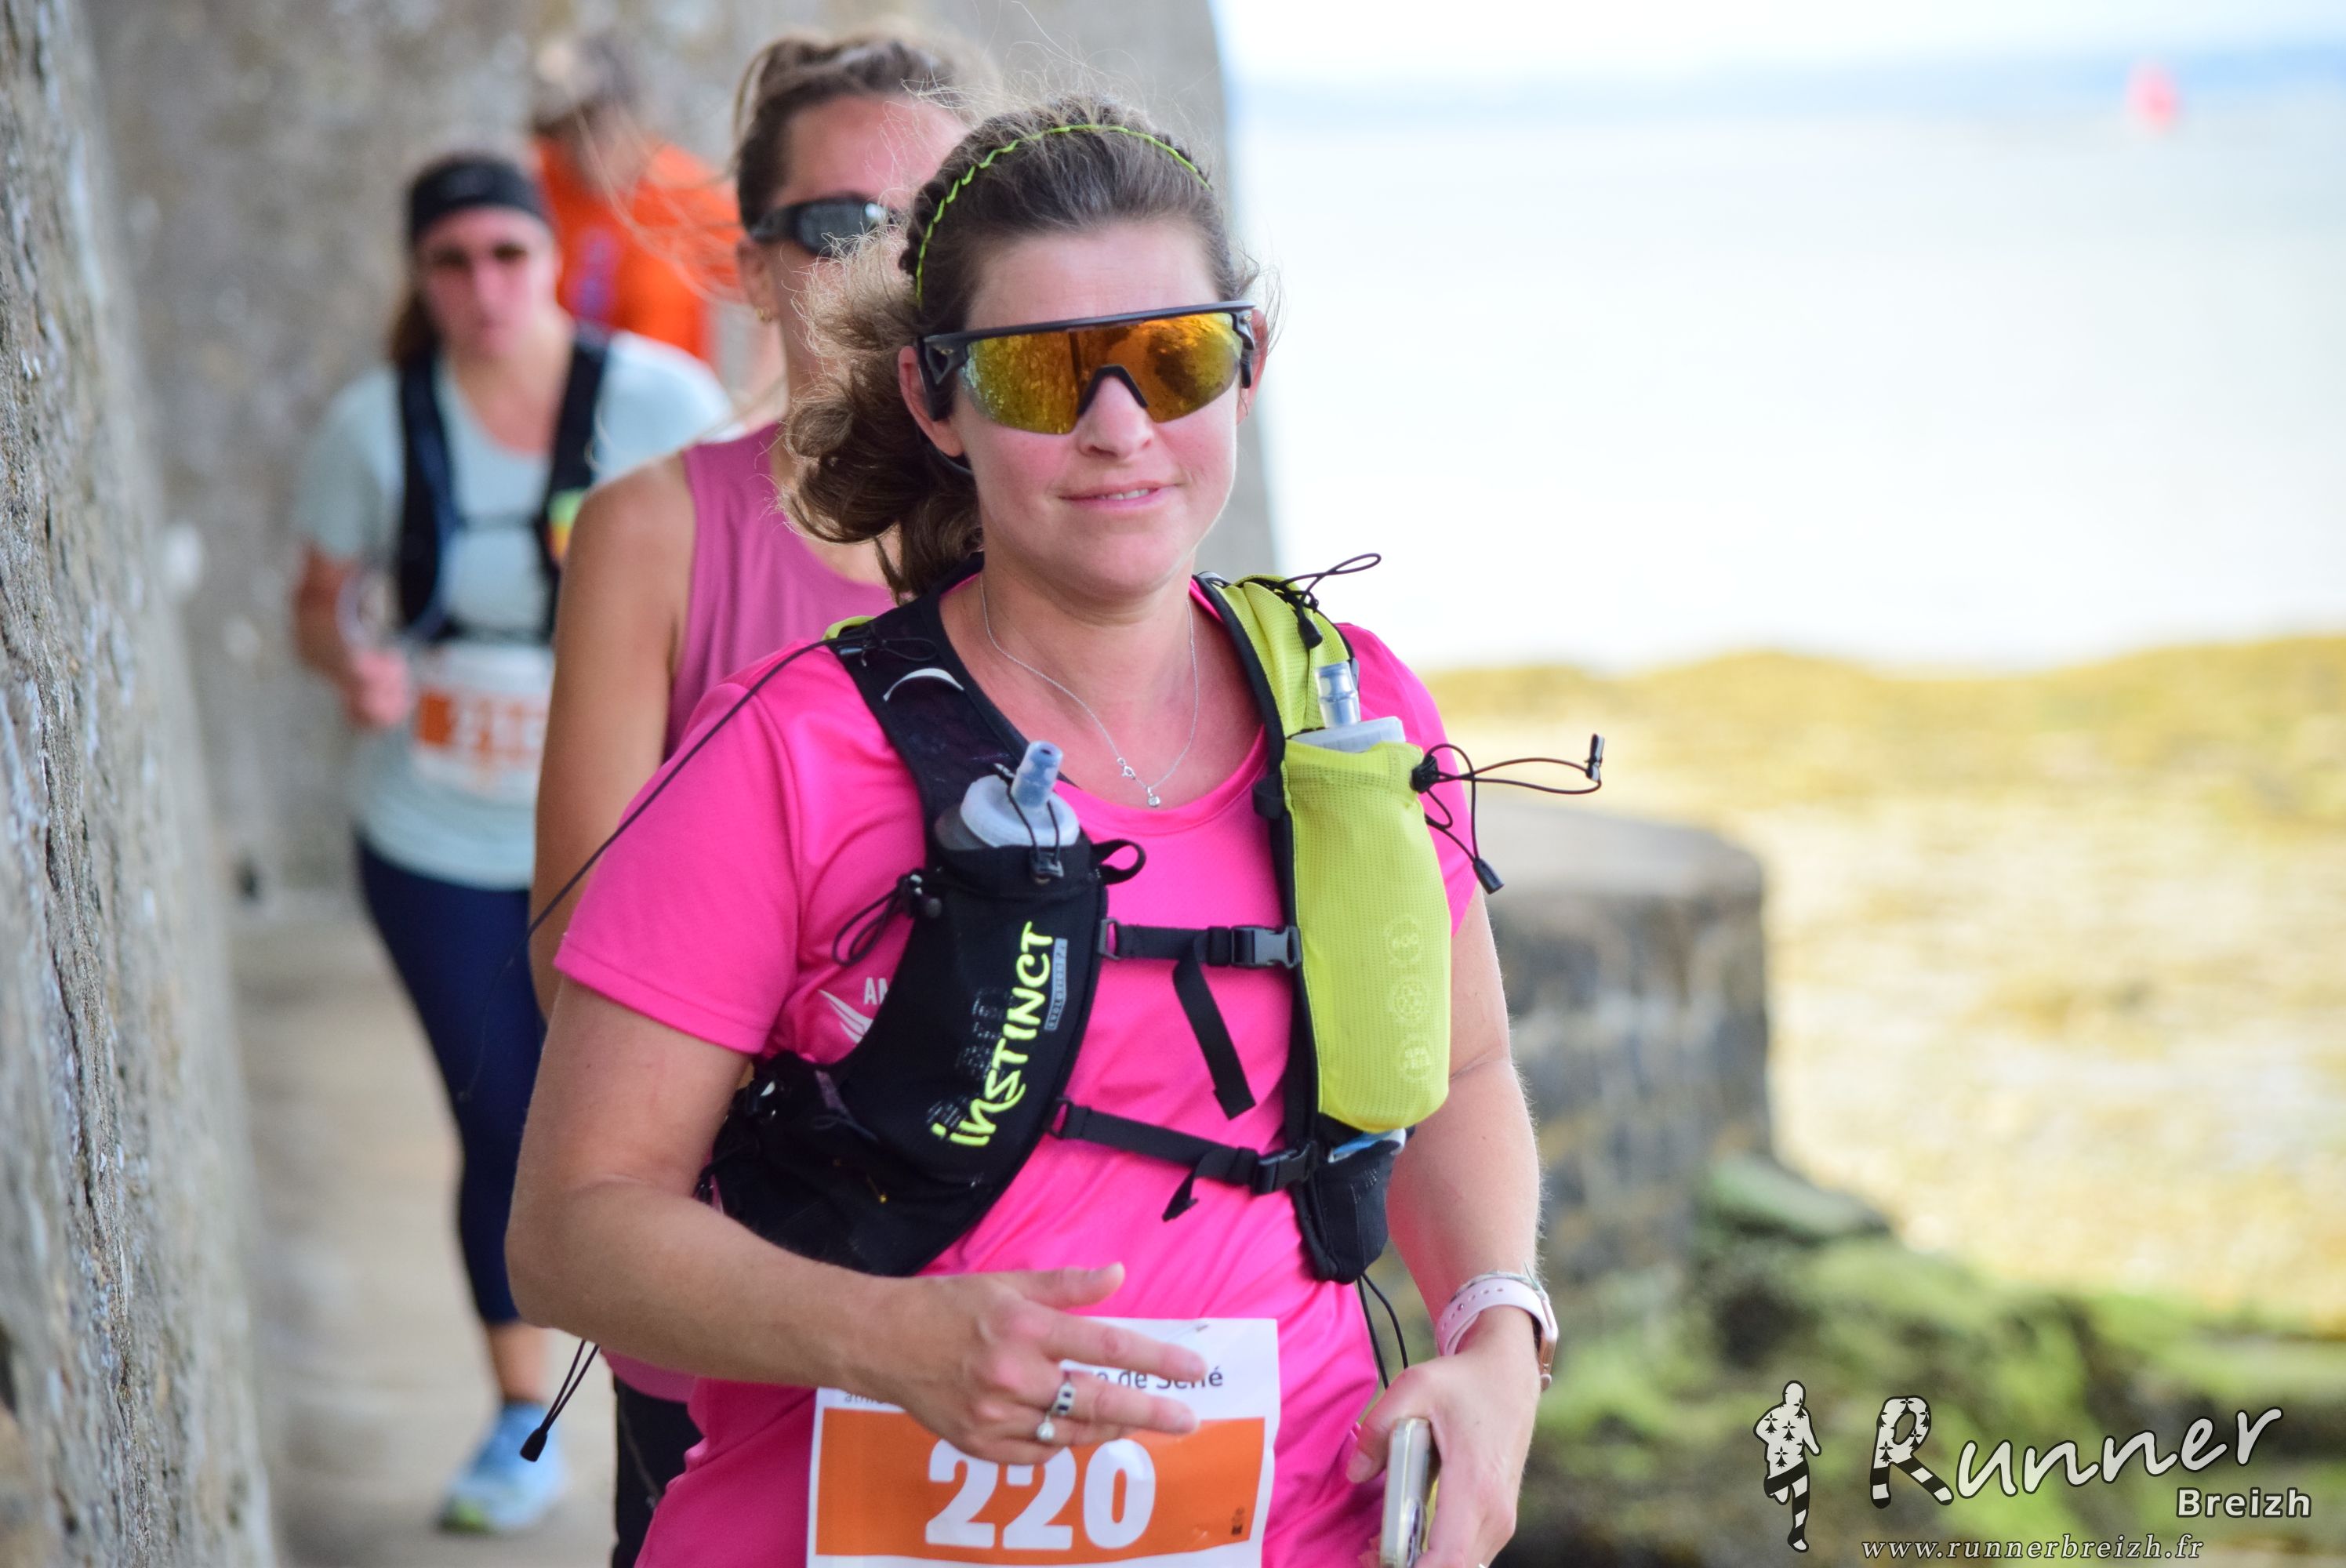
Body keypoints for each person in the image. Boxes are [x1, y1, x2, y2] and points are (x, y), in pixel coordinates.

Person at [508, 98, 1547, 1566]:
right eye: (1041, 372)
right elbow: (570, 1231)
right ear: (937, 400)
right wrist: (884, 1339)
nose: (1119, 427)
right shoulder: (787, 752)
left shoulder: (1353, 711)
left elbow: (1462, 1073)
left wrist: (1500, 1336)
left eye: (1172, 357)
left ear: (1247, 364)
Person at [525, 28, 977, 1566]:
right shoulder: (658, 529)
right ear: (752, 261)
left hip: (1014, 1280)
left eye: (932, 219)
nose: (889, 262)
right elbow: (574, 944)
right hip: (743, 1283)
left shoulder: (1039, 520)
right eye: (839, 224)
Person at [288, 150, 731, 1534]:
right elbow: (319, 599)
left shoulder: (657, 400)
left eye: (506, 254)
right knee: (503, 1114)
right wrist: (351, 663)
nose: (483, 287)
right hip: (438, 835)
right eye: (451, 262)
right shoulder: (375, 425)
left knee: (678, 1122)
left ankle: (697, 1410)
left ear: (553, 261)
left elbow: (741, 564)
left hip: (630, 833)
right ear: (419, 279)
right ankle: (516, 1418)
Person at [533, 33, 740, 368]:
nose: (586, 149)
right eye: (570, 129)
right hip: (554, 393)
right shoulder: (533, 184)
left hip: (667, 393)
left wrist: (761, 392)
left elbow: (774, 276)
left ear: (632, 119)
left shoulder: (683, 190)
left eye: (598, 126)